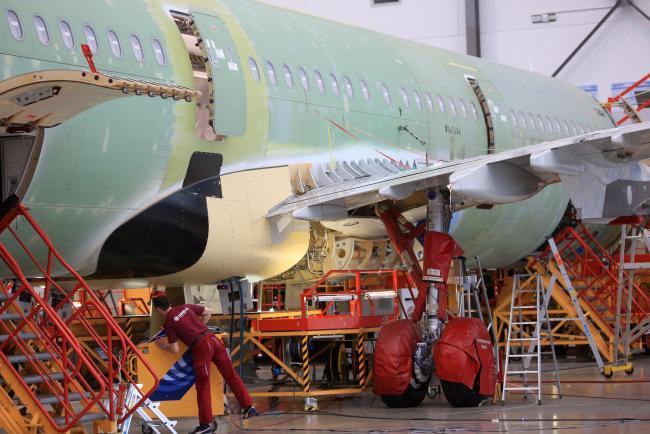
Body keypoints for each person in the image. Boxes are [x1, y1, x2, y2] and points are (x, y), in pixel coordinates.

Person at [152, 293, 256, 434]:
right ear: (169, 303)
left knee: (202, 385)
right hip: (213, 340)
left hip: (201, 347)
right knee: (230, 374)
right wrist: (199, 326)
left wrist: (162, 345)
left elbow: (175, 349)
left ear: (158, 310)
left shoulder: (169, 322)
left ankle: (205, 424)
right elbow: (208, 312)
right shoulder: (186, 307)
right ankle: (249, 406)